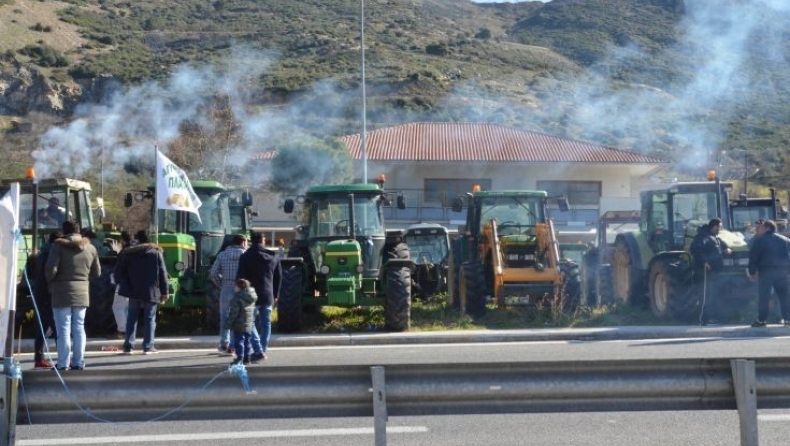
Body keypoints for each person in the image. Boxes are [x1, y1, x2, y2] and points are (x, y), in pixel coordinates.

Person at [44, 220, 100, 370]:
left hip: (61, 292)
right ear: (79, 231)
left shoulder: (58, 246)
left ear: (63, 231)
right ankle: (78, 362)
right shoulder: (91, 248)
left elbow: (51, 270)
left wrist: (49, 280)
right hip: (82, 292)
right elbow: (97, 272)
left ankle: (63, 363)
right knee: (79, 327)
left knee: (63, 329)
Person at [209, 234, 267, 362]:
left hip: (226, 288)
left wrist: (221, 284)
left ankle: (224, 343)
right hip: (242, 289)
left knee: (225, 316)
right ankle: (234, 346)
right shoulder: (246, 255)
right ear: (243, 242)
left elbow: (213, 274)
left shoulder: (222, 255)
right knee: (241, 318)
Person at [115, 229, 169, 355]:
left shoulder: (129, 253)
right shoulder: (155, 253)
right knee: (150, 318)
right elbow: (162, 274)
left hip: (133, 290)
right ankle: (148, 346)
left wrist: (122, 284)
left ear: (137, 239)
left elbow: (120, 272)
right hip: (151, 290)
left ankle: (128, 346)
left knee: (131, 318)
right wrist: (164, 291)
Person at [237, 231, 281, 360]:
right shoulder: (273, 256)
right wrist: (276, 294)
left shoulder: (245, 257)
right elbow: (278, 278)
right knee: (266, 323)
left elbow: (241, 277)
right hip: (268, 295)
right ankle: (262, 348)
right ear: (263, 241)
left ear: (251, 241)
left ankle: (258, 350)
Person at [747, 219, 790, 327]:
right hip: (781, 272)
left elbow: (754, 257)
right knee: (784, 297)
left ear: (767, 228)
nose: (758, 229)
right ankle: (788, 319)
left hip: (766, 272)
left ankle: (762, 320)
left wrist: (752, 272)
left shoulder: (760, 240)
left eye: (761, 227)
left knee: (764, 297)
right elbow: (788, 257)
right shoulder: (784, 240)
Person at [690, 218, 731, 325]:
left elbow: (722, 244)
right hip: (704, 271)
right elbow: (695, 249)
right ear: (714, 226)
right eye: (719, 227)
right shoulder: (703, 237)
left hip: (714, 272)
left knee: (713, 295)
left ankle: (713, 318)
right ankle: (702, 319)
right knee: (705, 295)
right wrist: (704, 262)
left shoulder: (714, 237)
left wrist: (727, 249)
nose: (720, 230)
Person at [32, 231, 61, 369]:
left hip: (40, 292)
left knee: (43, 326)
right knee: (56, 325)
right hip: (48, 293)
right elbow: (50, 273)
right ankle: (62, 357)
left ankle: (39, 358)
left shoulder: (42, 252)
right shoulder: (52, 252)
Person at [224, 279, 258, 365]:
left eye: (235, 286)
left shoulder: (237, 298)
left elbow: (233, 313)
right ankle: (247, 358)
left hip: (239, 324)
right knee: (247, 341)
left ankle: (239, 358)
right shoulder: (251, 297)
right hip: (249, 323)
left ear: (239, 287)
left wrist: (228, 323)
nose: (234, 288)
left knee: (239, 342)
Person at [108, 231, 133, 340]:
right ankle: (128, 330)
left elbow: (119, 269)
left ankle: (122, 330)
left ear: (122, 240)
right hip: (132, 283)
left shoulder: (123, 253)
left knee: (117, 307)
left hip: (123, 284)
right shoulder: (133, 250)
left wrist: (116, 280)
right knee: (126, 308)